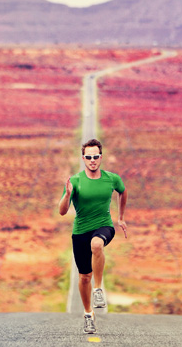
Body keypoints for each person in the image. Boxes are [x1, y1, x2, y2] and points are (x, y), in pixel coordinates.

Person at [58, 138, 127, 334]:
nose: (92, 160)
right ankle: (88, 314)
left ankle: (99, 290)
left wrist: (120, 217)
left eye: (96, 156)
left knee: (97, 245)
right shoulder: (75, 181)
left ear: (101, 157)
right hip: (80, 231)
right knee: (84, 277)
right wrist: (66, 194)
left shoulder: (111, 178)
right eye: (88, 157)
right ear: (83, 158)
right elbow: (62, 211)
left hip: (104, 226)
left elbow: (122, 191)